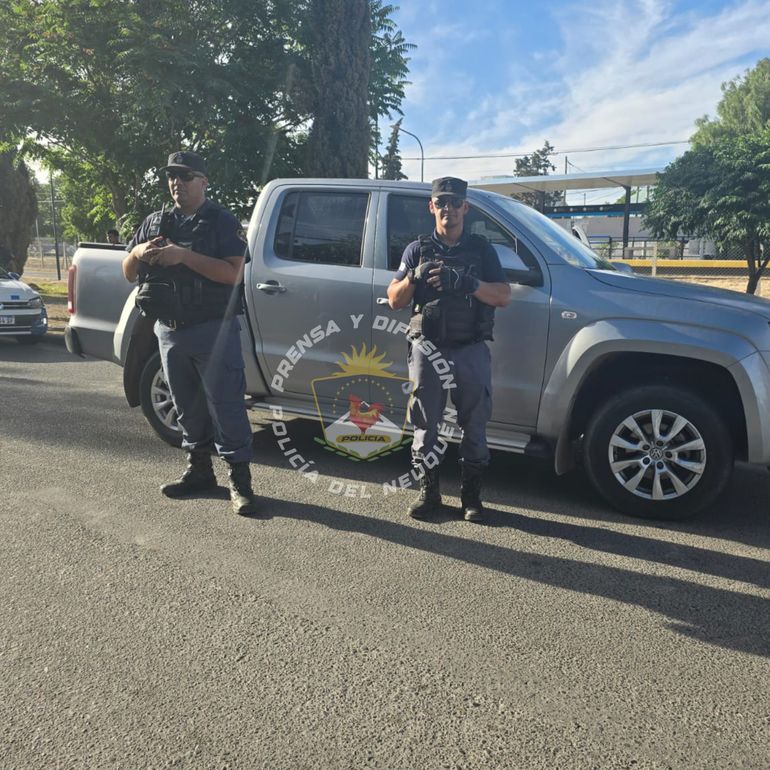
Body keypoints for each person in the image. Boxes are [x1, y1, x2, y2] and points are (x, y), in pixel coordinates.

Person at [122, 150, 258, 515]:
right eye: (171, 177)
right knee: (186, 405)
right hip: (169, 331)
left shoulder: (220, 222)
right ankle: (199, 472)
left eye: (185, 176)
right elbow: (128, 272)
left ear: (203, 181)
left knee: (226, 404)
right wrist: (136, 251)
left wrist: (183, 256)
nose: (176, 183)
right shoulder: (154, 222)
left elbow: (233, 273)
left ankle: (240, 481)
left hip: (213, 329)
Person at [387, 177, 511, 523]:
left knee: (474, 423)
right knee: (426, 423)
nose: (449, 209)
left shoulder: (482, 250)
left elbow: (503, 296)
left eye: (456, 202)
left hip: (470, 348)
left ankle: (471, 498)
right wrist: (414, 276)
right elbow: (395, 300)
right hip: (428, 349)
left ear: (465, 208)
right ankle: (429, 494)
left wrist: (469, 283)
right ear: (432, 207)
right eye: (441, 202)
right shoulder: (417, 249)